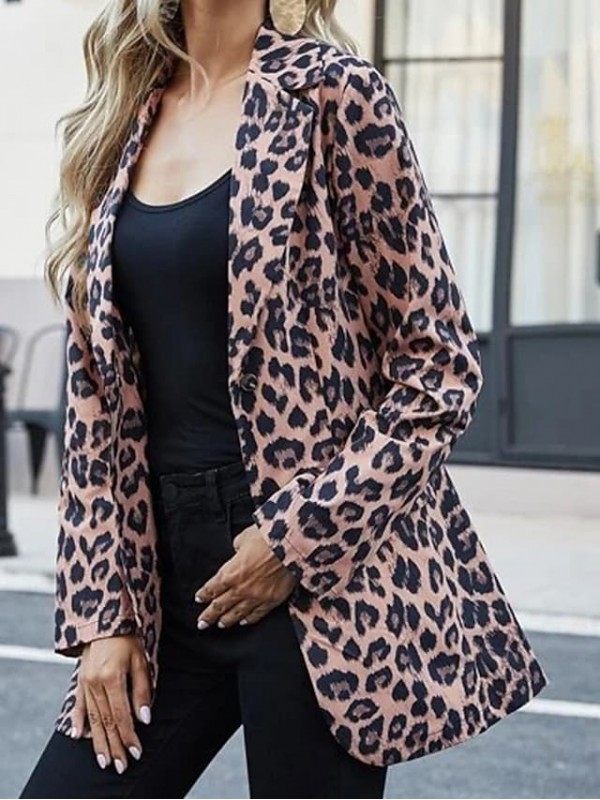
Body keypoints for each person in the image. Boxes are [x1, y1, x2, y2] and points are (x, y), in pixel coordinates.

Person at [19, 0, 549, 798]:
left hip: (313, 584)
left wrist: (296, 540)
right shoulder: (124, 116)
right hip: (162, 581)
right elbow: (96, 404)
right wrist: (106, 615)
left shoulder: (332, 94)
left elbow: (438, 365)